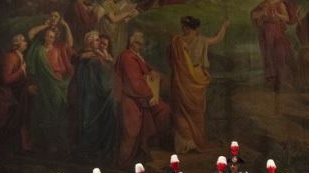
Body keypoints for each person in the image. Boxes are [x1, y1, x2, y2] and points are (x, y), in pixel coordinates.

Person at [169, 16, 230, 153]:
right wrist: (224, 27)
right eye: (184, 27)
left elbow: (216, 39)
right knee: (182, 111)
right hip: (184, 80)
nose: (184, 30)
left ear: (194, 29)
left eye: (187, 27)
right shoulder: (177, 41)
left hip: (193, 80)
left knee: (196, 112)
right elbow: (172, 60)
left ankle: (194, 142)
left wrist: (224, 27)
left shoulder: (184, 41)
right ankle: (185, 143)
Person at [115, 31, 171, 164]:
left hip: (139, 97)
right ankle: (124, 162)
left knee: (162, 112)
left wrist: (152, 71)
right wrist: (150, 95)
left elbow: (145, 69)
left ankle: (140, 156)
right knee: (131, 130)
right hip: (131, 98)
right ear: (130, 42)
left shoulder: (136, 55)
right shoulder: (127, 57)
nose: (139, 46)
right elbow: (135, 81)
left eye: (141, 43)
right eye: (136, 43)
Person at [27, 19, 74, 151]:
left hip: (56, 83)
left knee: (56, 112)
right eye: (47, 36)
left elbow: (70, 45)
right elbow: (30, 34)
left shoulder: (59, 48)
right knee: (41, 111)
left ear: (55, 38)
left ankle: (53, 142)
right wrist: (46, 25)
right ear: (44, 36)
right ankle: (40, 141)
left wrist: (66, 25)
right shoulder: (38, 49)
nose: (49, 38)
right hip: (42, 84)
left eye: (52, 36)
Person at [70, 31, 117, 155]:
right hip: (89, 93)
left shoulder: (97, 55)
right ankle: (88, 149)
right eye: (97, 40)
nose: (99, 42)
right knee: (88, 119)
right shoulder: (88, 56)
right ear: (90, 42)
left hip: (96, 92)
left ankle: (97, 148)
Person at [0, 34, 33, 152]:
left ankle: (22, 145)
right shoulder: (11, 57)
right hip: (5, 96)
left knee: (23, 115)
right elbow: (6, 79)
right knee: (6, 122)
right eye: (23, 41)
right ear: (17, 44)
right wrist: (21, 71)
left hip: (15, 94)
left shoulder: (19, 57)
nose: (26, 43)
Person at [251, 0, 294, 91]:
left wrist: (277, 14)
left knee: (280, 55)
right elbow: (254, 15)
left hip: (277, 34)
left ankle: (282, 81)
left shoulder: (280, 4)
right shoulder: (263, 4)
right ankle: (272, 81)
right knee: (269, 57)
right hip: (266, 36)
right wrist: (263, 12)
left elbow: (287, 18)